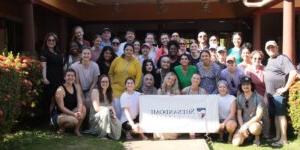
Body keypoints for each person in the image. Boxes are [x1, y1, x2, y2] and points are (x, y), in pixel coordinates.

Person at [264, 40, 297, 146]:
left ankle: (284, 139)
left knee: (281, 115)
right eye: (268, 48)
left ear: (277, 47)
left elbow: (293, 72)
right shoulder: (269, 60)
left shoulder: (283, 58)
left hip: (278, 94)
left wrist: (285, 88)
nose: (271, 49)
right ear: (266, 50)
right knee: (276, 116)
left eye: (272, 47)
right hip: (270, 94)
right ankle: (277, 137)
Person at [109, 43, 142, 119]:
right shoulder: (117, 60)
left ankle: (126, 126)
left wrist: (132, 88)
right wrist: (111, 84)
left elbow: (138, 77)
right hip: (116, 89)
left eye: (131, 50)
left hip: (129, 90)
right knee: (117, 110)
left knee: (127, 111)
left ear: (133, 51)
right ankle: (117, 127)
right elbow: (110, 73)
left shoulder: (136, 62)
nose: (129, 51)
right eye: (127, 50)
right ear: (123, 50)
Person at [51, 69, 86, 136]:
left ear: (75, 77)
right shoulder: (60, 90)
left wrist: (79, 111)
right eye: (68, 75)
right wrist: (74, 114)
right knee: (74, 120)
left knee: (83, 108)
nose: (70, 77)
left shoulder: (77, 86)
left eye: (72, 76)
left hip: (71, 112)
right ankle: (62, 128)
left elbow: (80, 101)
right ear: (64, 77)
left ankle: (76, 129)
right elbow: (61, 108)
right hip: (59, 115)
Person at [245, 50, 270, 138]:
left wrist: (265, 97)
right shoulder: (248, 70)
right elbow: (247, 85)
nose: (257, 60)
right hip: (253, 95)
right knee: (252, 114)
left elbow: (268, 85)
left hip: (264, 95)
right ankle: (251, 134)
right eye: (255, 58)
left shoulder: (265, 69)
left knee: (264, 114)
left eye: (259, 58)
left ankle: (266, 134)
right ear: (251, 59)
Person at [232, 76, 264, 146]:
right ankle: (246, 136)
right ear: (241, 86)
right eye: (243, 84)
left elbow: (258, 116)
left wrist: (246, 125)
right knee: (236, 143)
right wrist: (242, 126)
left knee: (254, 128)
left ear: (251, 85)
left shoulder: (259, 97)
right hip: (243, 123)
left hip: (255, 123)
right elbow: (239, 115)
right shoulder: (239, 98)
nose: (245, 86)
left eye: (248, 84)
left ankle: (257, 138)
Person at [88, 75, 122, 139]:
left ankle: (110, 134)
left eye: (107, 82)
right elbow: (97, 108)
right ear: (99, 82)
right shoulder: (95, 91)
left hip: (107, 114)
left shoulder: (110, 93)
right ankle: (102, 135)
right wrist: (110, 108)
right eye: (103, 82)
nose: (105, 83)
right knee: (105, 111)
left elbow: (111, 106)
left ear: (109, 83)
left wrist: (113, 115)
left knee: (118, 124)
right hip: (95, 117)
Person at [40, 32, 64, 118]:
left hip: (59, 78)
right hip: (50, 79)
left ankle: (56, 117)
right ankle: (49, 118)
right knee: (51, 100)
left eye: (53, 40)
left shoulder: (58, 52)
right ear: (46, 41)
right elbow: (43, 66)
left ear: (56, 41)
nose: (51, 42)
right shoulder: (44, 52)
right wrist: (44, 78)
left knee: (58, 99)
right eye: (49, 40)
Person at [155, 72, 180, 140]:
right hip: (162, 115)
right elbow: (157, 104)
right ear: (165, 79)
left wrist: (174, 98)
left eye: (172, 80)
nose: (170, 81)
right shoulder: (160, 91)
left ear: (174, 82)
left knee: (173, 136)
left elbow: (179, 105)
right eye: (169, 78)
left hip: (173, 116)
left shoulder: (176, 91)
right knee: (157, 135)